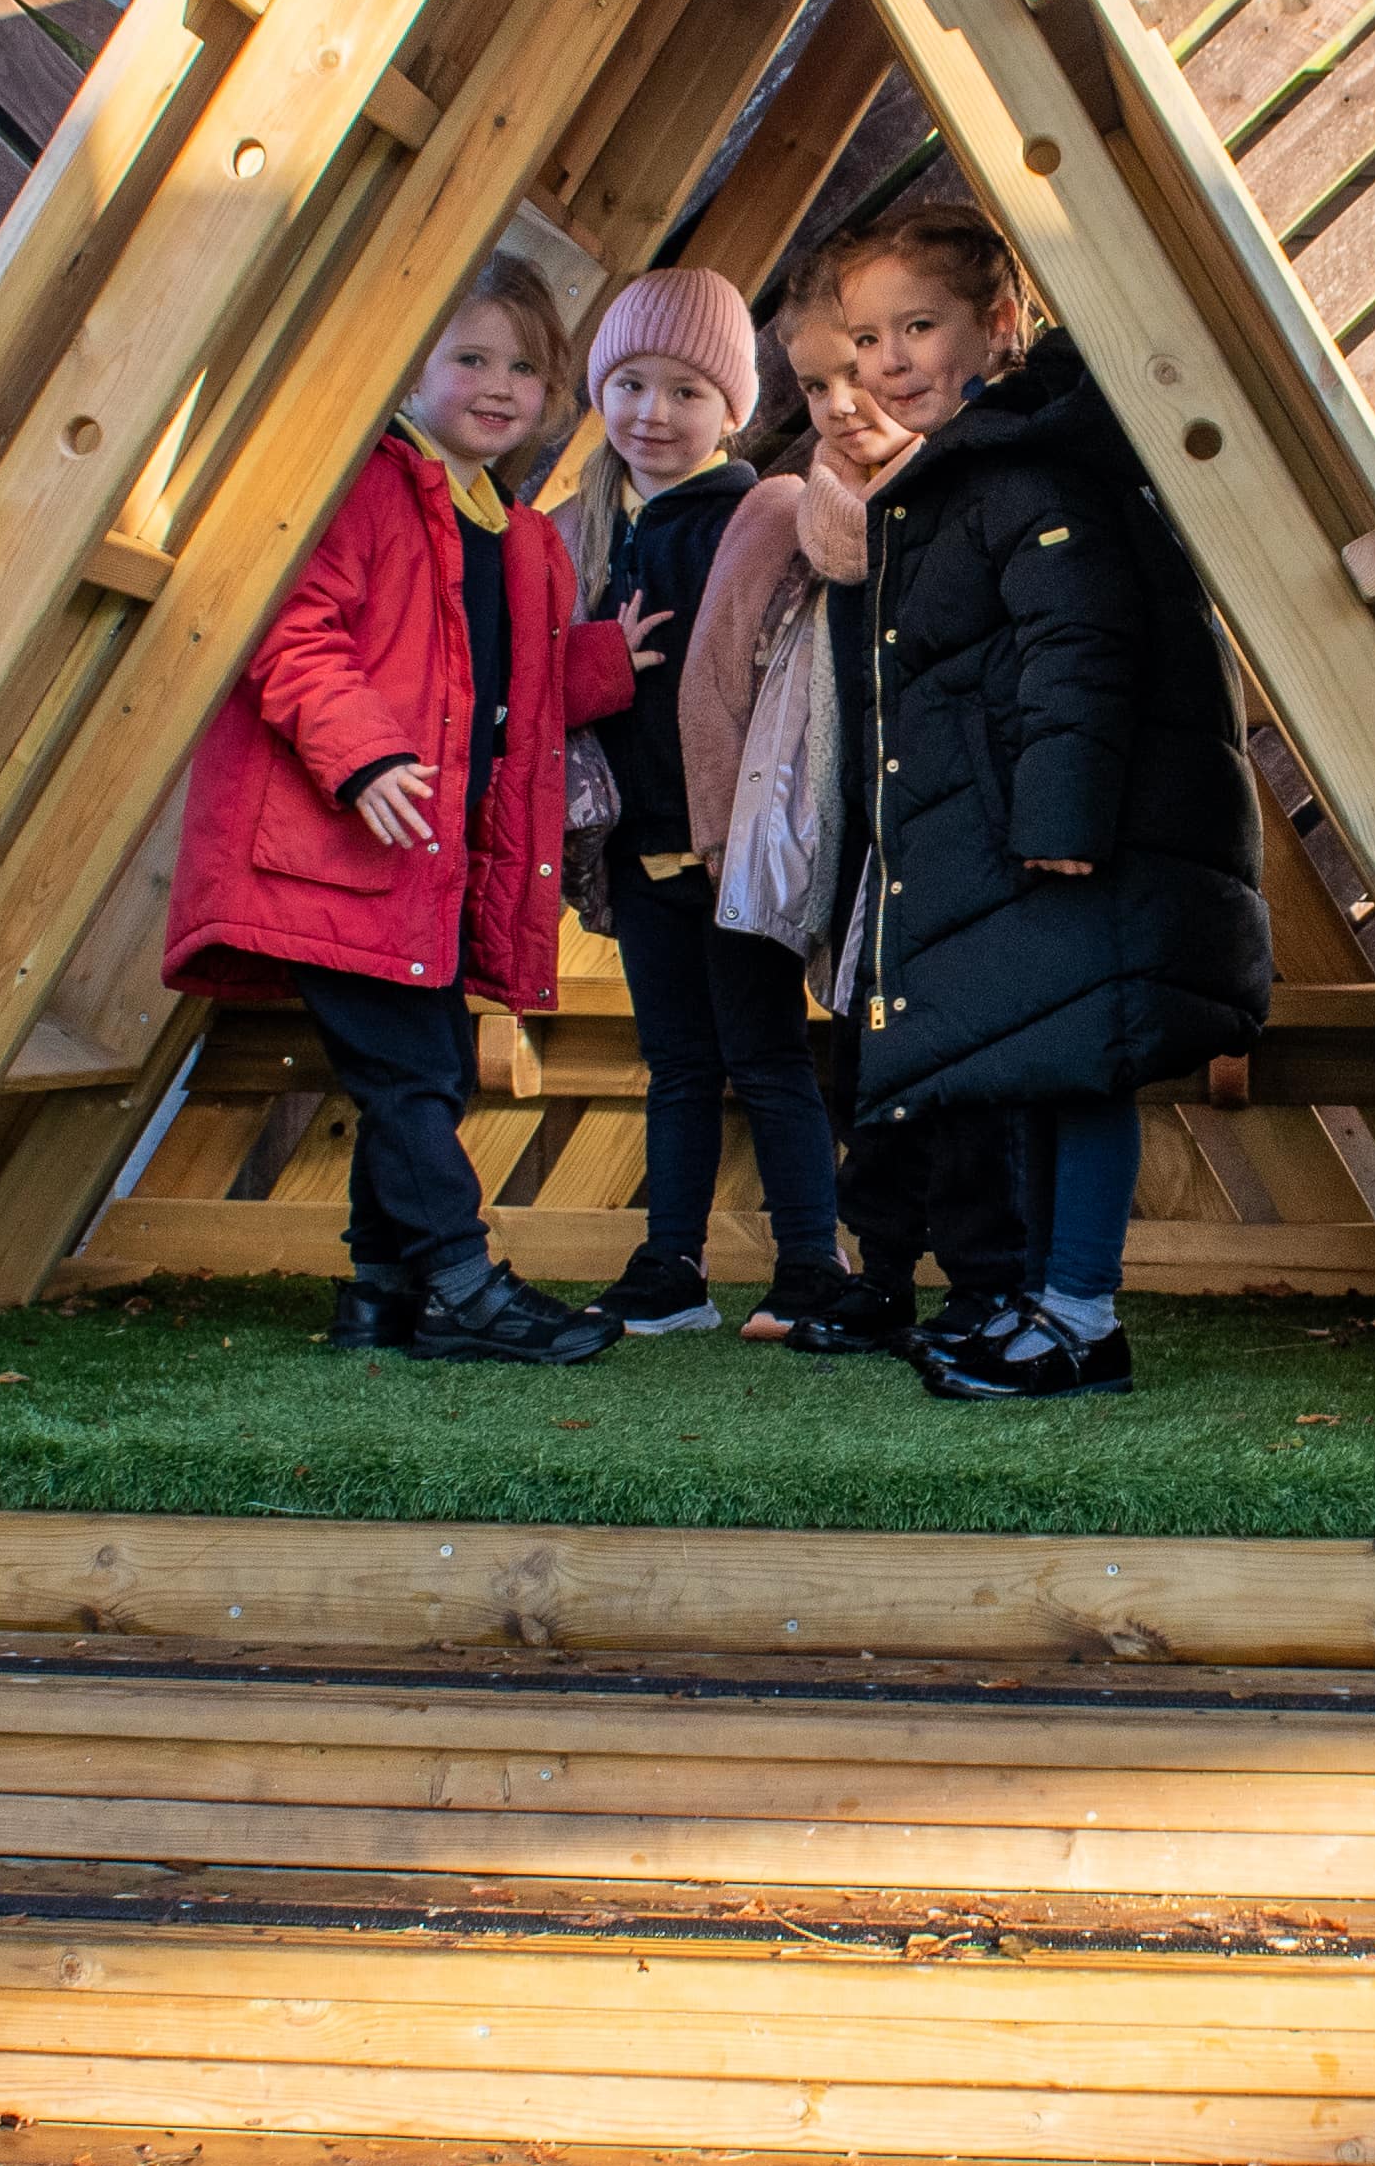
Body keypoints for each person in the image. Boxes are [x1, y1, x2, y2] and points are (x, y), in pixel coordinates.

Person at [162, 258, 644, 1368]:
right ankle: (467, 1288)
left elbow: (502, 690)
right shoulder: (368, 486)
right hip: (332, 848)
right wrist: (364, 754)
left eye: (524, 365)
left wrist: (610, 663)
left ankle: (382, 1294)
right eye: (469, 357)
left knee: (417, 1072)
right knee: (412, 1076)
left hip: (421, 859)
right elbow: (289, 631)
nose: (499, 383)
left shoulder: (517, 534)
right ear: (410, 371)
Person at [825, 201, 1270, 1400]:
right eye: (865, 341)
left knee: (1082, 1072)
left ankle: (1079, 1315)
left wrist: (1062, 817)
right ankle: (1037, 1300)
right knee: (1037, 1065)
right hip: (1017, 832)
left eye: (918, 327)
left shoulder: (1029, 465)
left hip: (1075, 840)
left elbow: (1082, 644)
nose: (888, 362)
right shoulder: (975, 470)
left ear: (1000, 322)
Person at [677, 297, 1016, 1350]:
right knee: (865, 1069)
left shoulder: (972, 500)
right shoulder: (797, 516)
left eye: (857, 375)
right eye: (814, 386)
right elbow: (720, 677)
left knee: (960, 1070)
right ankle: (878, 1279)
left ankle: (985, 1288)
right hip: (855, 835)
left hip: (959, 829)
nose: (836, 405)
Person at [558, 269, 841, 1336]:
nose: (653, 413)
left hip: (733, 850)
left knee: (768, 1059)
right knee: (676, 1064)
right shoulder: (591, 529)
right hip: (637, 855)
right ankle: (669, 1263)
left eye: (686, 391)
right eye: (630, 384)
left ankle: (811, 1260)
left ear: (733, 406)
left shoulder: (763, 514)